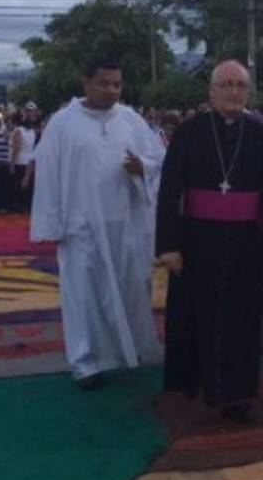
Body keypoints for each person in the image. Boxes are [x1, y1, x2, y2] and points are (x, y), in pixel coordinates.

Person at [157, 60, 263, 421]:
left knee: (241, 320)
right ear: (211, 91)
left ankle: (237, 396)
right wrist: (168, 244)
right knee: (197, 315)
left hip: (247, 243)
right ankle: (195, 382)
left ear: (248, 92)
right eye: (226, 85)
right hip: (198, 240)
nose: (233, 92)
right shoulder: (189, 132)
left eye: (240, 85)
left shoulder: (259, 134)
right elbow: (169, 191)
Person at [30, 59, 166, 390]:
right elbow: (48, 172)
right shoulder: (63, 123)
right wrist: (51, 223)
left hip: (128, 224)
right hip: (82, 228)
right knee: (85, 296)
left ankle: (133, 351)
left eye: (117, 84)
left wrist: (142, 167)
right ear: (86, 83)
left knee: (133, 287)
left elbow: (159, 159)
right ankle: (87, 362)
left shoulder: (131, 119)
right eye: (104, 84)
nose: (112, 91)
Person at [11, 102, 40, 211]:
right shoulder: (21, 130)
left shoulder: (31, 131)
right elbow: (16, 148)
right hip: (23, 161)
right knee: (22, 186)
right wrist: (13, 163)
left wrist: (12, 163)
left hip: (25, 162)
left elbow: (17, 148)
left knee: (23, 186)